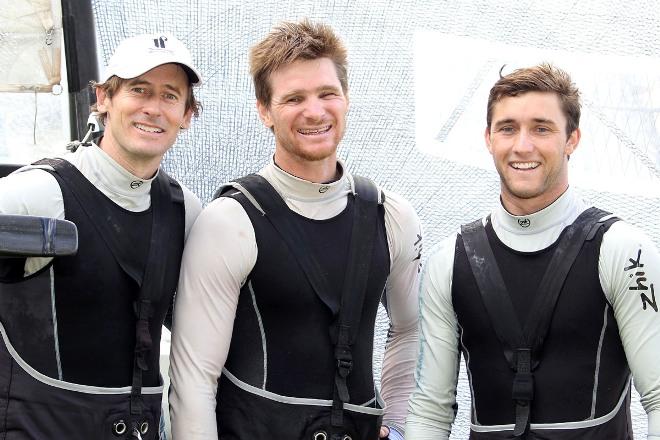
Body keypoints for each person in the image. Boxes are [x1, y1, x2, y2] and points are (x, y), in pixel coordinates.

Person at [169, 19, 422, 440]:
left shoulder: (391, 215)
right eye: (294, 98)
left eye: (328, 94)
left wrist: (396, 426)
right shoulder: (230, 220)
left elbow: (411, 328)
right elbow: (194, 378)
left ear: (346, 99)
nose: (315, 111)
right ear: (264, 110)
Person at [406, 63, 660, 439]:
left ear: (572, 139)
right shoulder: (449, 261)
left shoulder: (624, 250)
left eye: (541, 128)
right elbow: (429, 412)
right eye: (508, 128)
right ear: (489, 138)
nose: (522, 145)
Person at [0, 33, 203, 439]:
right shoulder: (40, 191)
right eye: (138, 90)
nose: (153, 108)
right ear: (103, 98)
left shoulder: (185, 212)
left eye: (169, 95)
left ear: (187, 115)